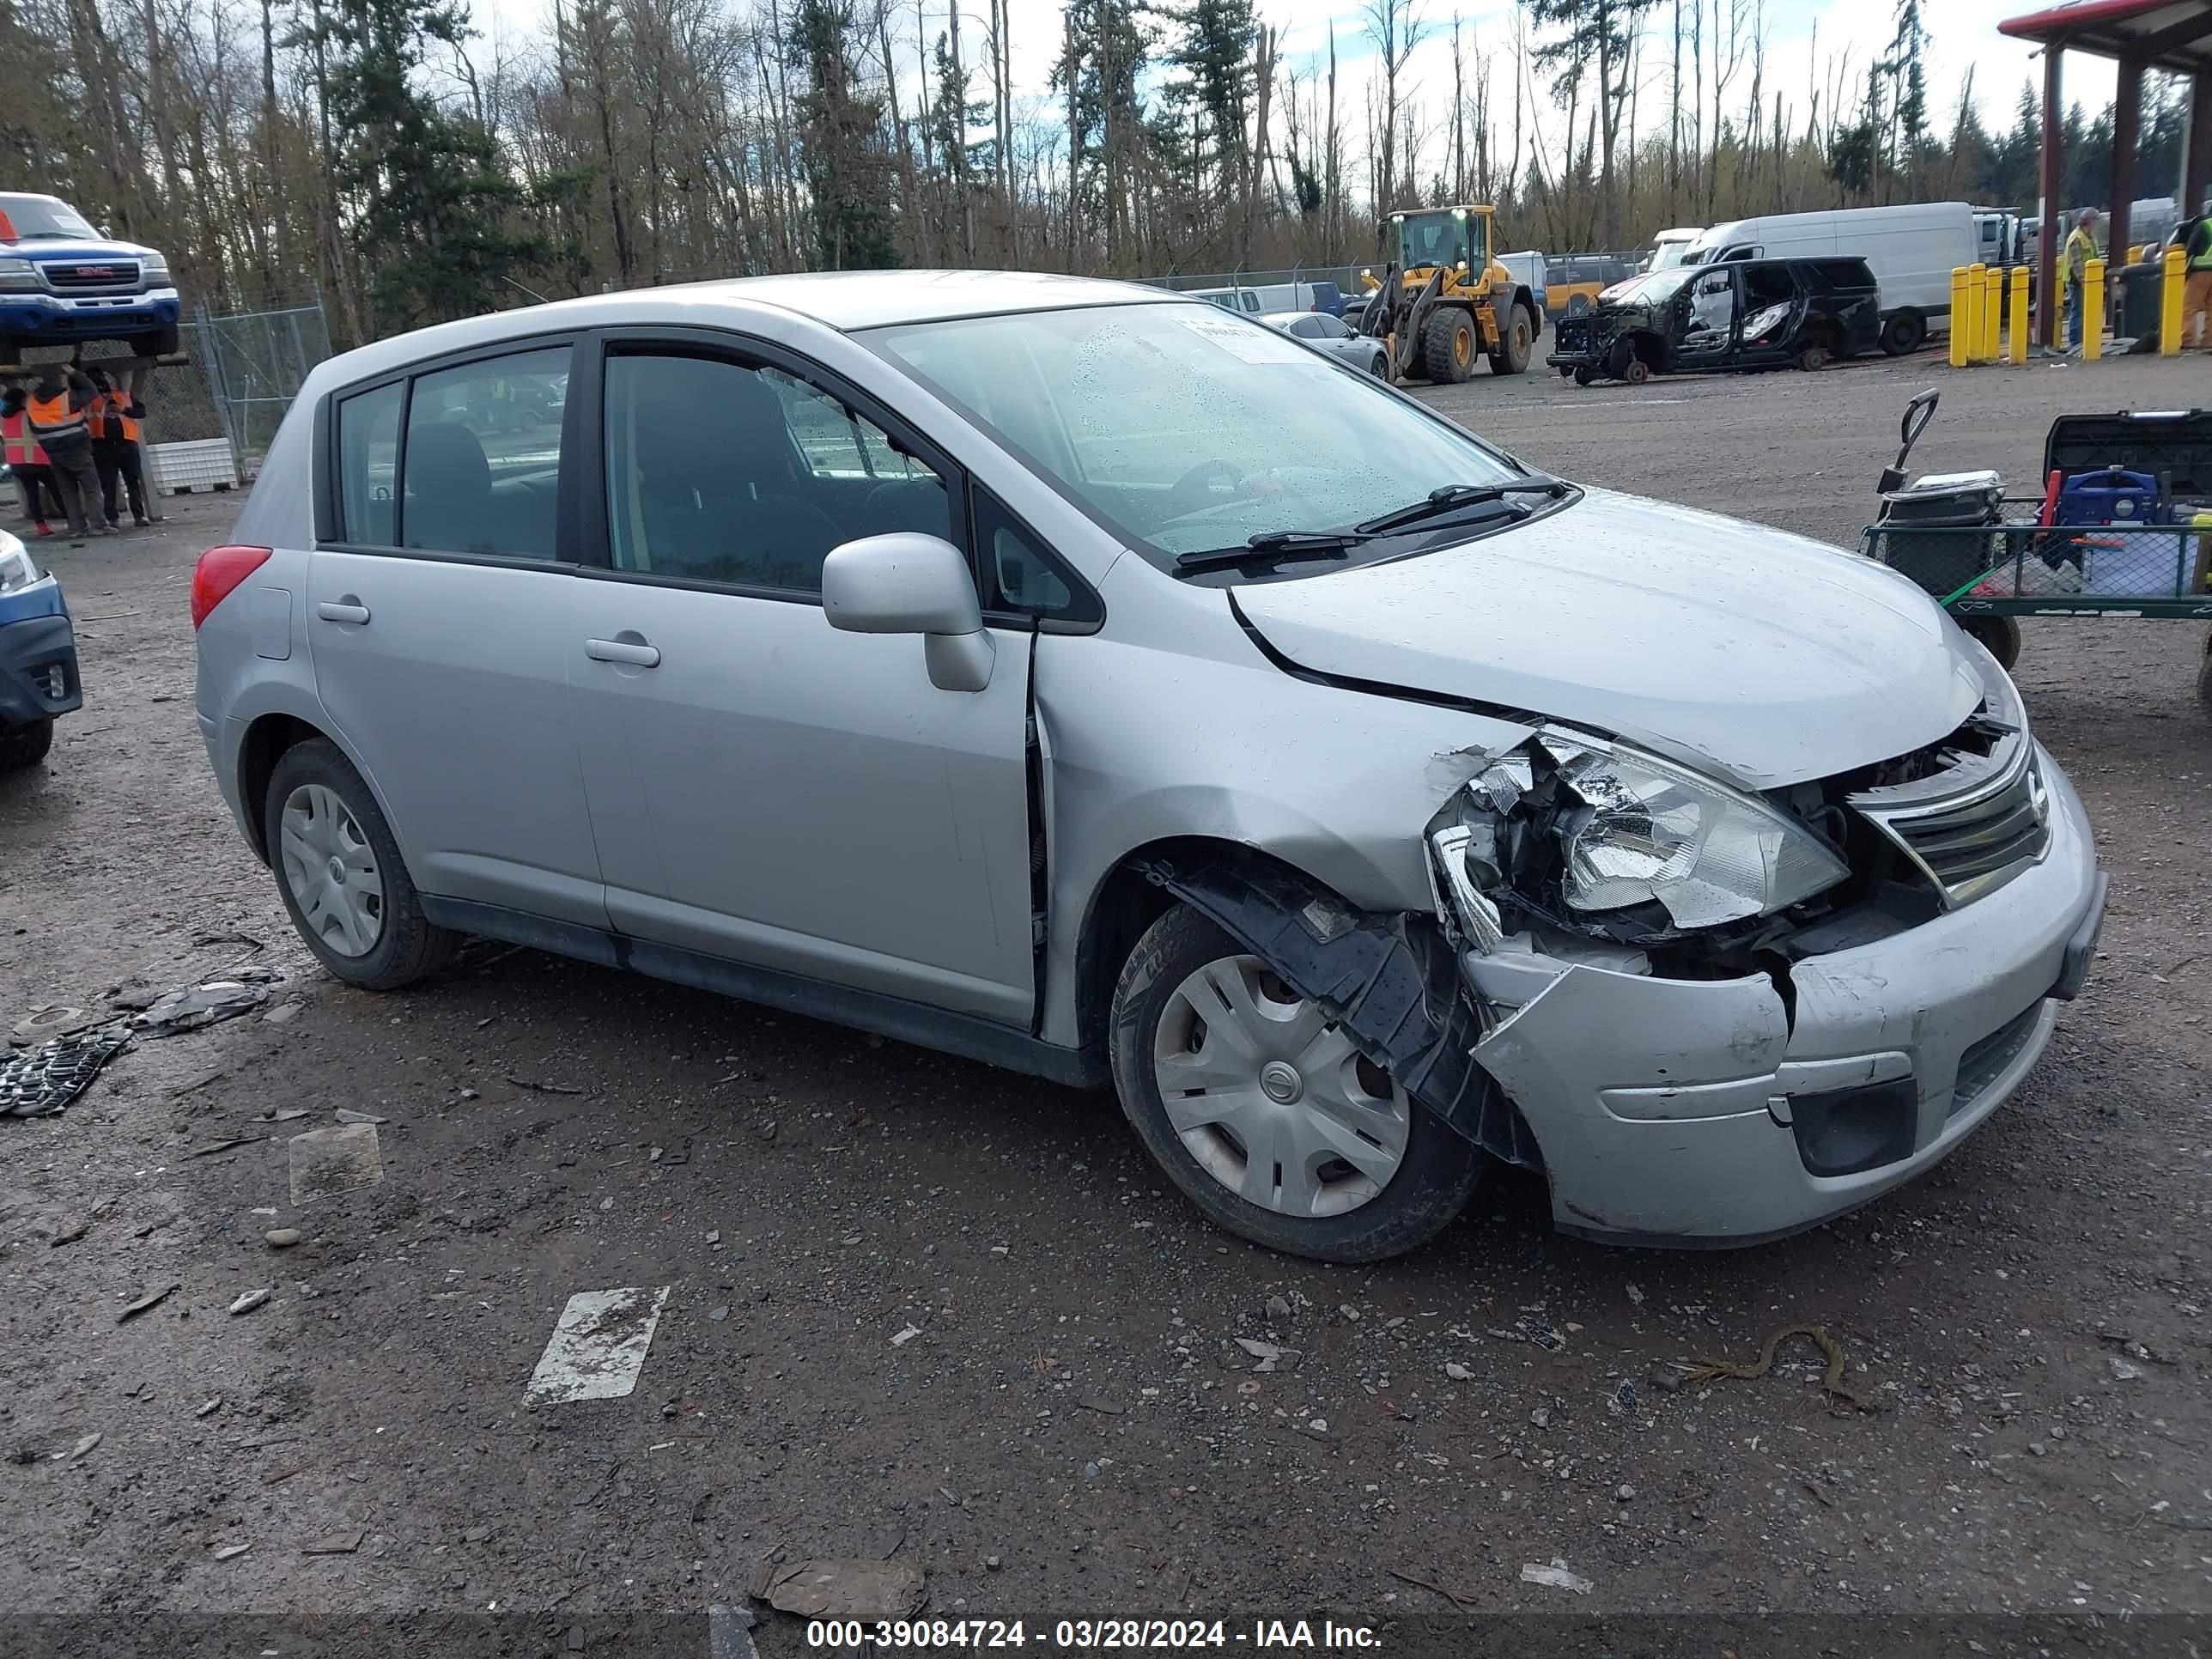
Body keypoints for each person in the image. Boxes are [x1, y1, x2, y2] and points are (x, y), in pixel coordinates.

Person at [1, 362, 110, 538]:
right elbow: (91, 391)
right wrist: (74, 373)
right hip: (77, 450)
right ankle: (98, 525)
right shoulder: (67, 399)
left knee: (67, 492)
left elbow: (34, 429)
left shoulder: (31, 404)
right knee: (91, 488)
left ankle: (76, 527)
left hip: (52, 454)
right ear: (60, 388)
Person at [87, 366, 150, 528]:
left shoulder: (122, 396)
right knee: (108, 484)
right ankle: (112, 518)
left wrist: (123, 409)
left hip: (127, 443)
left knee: (132, 481)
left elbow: (141, 412)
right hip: (102, 446)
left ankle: (139, 515)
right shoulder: (89, 400)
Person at [2, 405, 58, 537]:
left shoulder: (3, 417)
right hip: (38, 459)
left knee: (32, 494)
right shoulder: (29, 414)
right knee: (56, 491)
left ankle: (41, 526)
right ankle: (71, 520)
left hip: (16, 462)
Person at [2063, 207, 2100, 353]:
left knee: (2084, 311)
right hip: (2077, 281)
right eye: (2096, 220)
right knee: (2078, 310)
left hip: (2089, 280)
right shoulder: (2077, 238)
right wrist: (2084, 281)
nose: (2097, 223)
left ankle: (2082, 340)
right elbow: (2077, 263)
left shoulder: (2089, 236)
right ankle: (2075, 343)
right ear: (2090, 221)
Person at [2180, 198, 2212, 350]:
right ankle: (2208, 340)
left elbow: (2190, 248)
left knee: (2190, 307)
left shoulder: (2204, 225)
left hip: (2201, 271)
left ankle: (2188, 340)